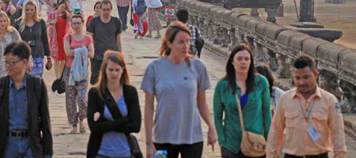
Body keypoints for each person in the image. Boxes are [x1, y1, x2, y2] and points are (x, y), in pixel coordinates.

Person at [141, 23, 217, 158]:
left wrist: (211, 127)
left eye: (188, 42)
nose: (186, 46)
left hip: (192, 135)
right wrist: (148, 142)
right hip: (162, 137)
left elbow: (202, 103)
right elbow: (148, 107)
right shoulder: (154, 68)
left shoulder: (198, 67)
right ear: (170, 43)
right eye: (181, 42)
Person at [0, 41, 53, 158]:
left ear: (25, 62)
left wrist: (48, 153)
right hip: (8, 145)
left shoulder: (37, 85)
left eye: (13, 62)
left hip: (31, 144)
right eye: (6, 62)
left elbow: (45, 120)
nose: (8, 66)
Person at [266, 55, 347, 158]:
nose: (301, 82)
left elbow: (338, 135)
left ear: (315, 74)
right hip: (292, 155)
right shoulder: (285, 99)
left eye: (306, 77)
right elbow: (276, 131)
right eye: (297, 78)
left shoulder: (329, 101)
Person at [213, 44, 271, 158]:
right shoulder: (223, 86)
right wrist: (222, 141)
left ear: (251, 62)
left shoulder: (261, 82)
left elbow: (266, 113)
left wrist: (269, 140)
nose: (243, 62)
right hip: (231, 145)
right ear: (232, 61)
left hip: (256, 144)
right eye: (239, 59)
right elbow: (217, 116)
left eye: (246, 59)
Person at [87, 51, 141, 158]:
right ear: (104, 71)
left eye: (117, 70)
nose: (114, 74)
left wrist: (104, 123)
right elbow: (93, 127)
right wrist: (123, 121)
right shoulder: (95, 93)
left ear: (123, 71)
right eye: (110, 70)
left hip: (125, 152)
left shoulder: (130, 92)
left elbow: (136, 126)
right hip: (101, 152)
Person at [64, 13, 94, 134]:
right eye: (74, 23)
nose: (76, 25)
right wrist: (83, 50)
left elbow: (91, 54)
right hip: (70, 70)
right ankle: (74, 124)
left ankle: (82, 119)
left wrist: (76, 51)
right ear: (71, 24)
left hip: (83, 70)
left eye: (78, 23)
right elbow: (67, 52)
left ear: (82, 24)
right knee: (70, 97)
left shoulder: (88, 38)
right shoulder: (68, 37)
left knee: (82, 97)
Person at [87, 0, 122, 85]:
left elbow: (118, 41)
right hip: (97, 57)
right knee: (96, 82)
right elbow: (89, 39)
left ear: (111, 9)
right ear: (101, 9)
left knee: (111, 82)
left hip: (112, 56)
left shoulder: (116, 22)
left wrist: (120, 56)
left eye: (108, 9)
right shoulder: (94, 22)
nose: (106, 12)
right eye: (104, 9)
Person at [16, 0, 52, 78]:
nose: (29, 12)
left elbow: (45, 40)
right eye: (27, 10)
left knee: (36, 83)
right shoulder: (18, 23)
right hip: (23, 57)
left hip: (37, 55)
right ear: (24, 10)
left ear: (35, 10)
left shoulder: (40, 22)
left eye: (32, 10)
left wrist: (48, 57)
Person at [48, 0, 71, 79]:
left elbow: (71, 26)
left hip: (64, 39)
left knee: (63, 60)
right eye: (61, 7)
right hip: (55, 39)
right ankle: (57, 77)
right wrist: (51, 23)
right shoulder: (52, 14)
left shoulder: (67, 15)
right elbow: (47, 24)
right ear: (58, 6)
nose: (62, 9)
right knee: (56, 59)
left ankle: (60, 76)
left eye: (64, 7)